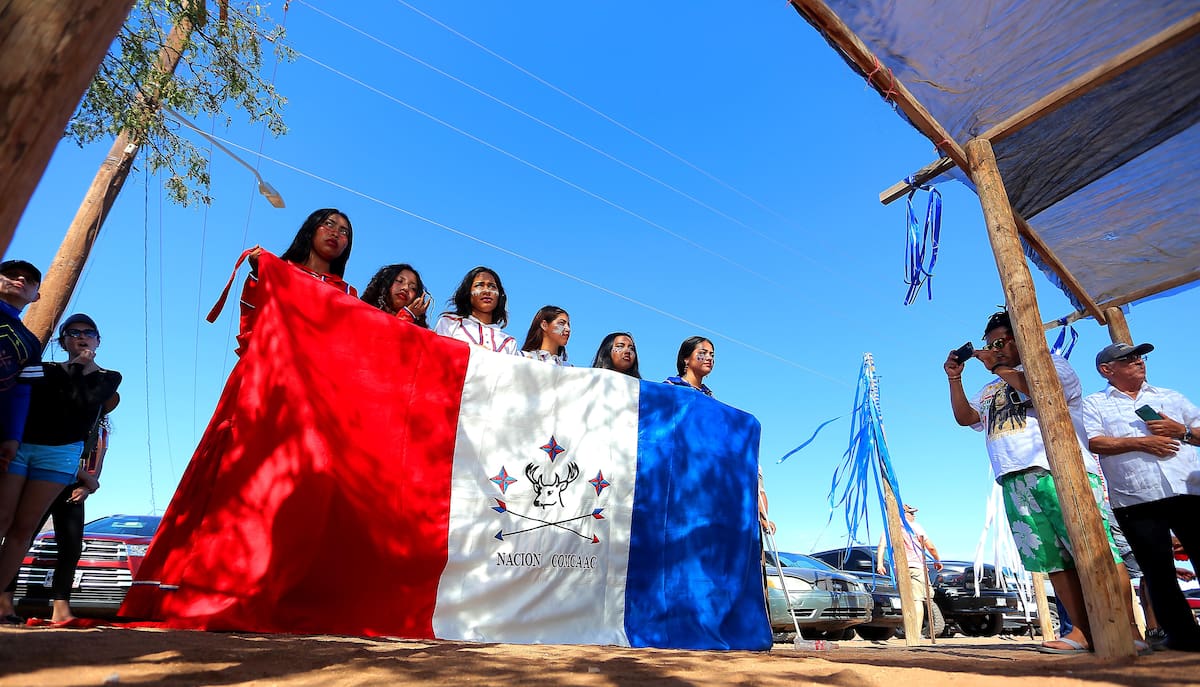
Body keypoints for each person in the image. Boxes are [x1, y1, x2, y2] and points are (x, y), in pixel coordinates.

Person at [945, 311, 1139, 654]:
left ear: (1022, 337)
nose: (996, 349)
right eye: (991, 345)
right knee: (1051, 560)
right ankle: (1081, 631)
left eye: (1002, 342)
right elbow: (965, 418)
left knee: (1097, 551)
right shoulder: (991, 387)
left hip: (1061, 472)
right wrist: (955, 379)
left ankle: (1129, 629)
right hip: (1014, 478)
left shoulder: (1053, 364)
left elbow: (1043, 391)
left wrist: (998, 368)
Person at [0, 313, 121, 626]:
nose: (82, 337)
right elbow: (34, 400)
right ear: (62, 339)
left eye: (89, 333)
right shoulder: (48, 370)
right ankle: (5, 603)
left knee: (53, 537)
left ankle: (56, 607)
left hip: (64, 469)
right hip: (32, 453)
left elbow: (92, 404)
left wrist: (90, 482)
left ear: (98, 341)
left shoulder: (107, 381)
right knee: (10, 525)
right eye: (74, 332)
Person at [1081, 341, 1200, 652]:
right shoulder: (1095, 404)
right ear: (1107, 370)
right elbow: (1096, 442)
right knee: (1158, 572)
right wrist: (1143, 444)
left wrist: (1181, 431)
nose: (1138, 361)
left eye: (1139, 356)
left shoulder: (1171, 397)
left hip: (1188, 491)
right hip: (1135, 497)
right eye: (1128, 358)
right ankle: (1185, 640)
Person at [235, 209, 356, 353]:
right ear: (311, 228)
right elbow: (251, 321)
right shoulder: (280, 272)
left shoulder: (347, 293)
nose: (335, 233)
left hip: (317, 371)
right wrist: (259, 274)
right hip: (272, 365)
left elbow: (350, 345)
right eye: (329, 224)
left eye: (344, 232)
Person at [0, 260, 43, 477]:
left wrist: (13, 437)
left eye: (29, 280)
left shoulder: (32, 343)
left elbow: (22, 392)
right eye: (11, 274)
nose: (20, 279)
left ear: (36, 296)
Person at [876, 504, 943, 633]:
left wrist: (880, 563)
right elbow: (930, 546)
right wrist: (937, 560)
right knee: (917, 599)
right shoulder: (915, 527)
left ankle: (910, 630)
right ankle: (915, 633)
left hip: (899, 569)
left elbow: (881, 546)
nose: (914, 516)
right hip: (916, 566)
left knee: (907, 599)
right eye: (911, 513)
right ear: (904, 514)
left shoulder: (890, 527)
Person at [433, 267, 517, 355]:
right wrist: (470, 350)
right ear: (468, 293)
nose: (487, 291)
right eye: (479, 285)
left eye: (492, 286)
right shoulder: (450, 323)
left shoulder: (509, 342)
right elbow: (436, 354)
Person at [360, 263, 432, 327]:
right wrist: (406, 317)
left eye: (413, 288)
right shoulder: (360, 313)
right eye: (400, 281)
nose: (406, 288)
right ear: (385, 283)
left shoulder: (418, 335)